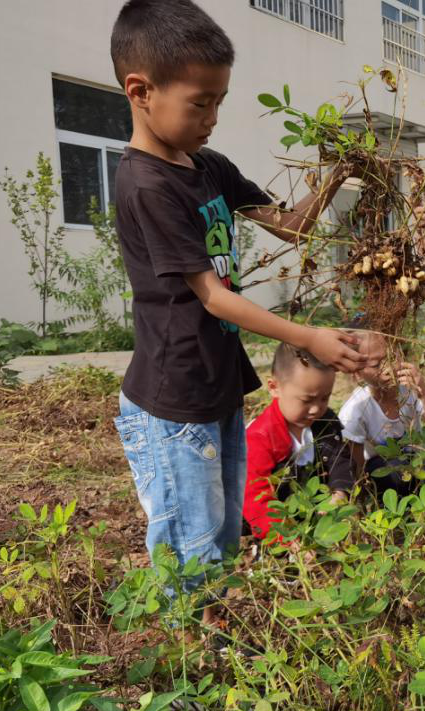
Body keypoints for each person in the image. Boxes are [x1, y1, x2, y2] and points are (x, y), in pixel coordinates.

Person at [109, 0, 363, 586]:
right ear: (140, 90)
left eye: (219, 101)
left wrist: (338, 173)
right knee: (190, 542)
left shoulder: (207, 165)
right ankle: (189, 659)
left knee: (222, 532)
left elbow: (289, 225)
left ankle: (211, 642)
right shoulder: (146, 184)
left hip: (215, 383)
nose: (213, 117)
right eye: (201, 103)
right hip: (172, 399)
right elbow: (213, 297)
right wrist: (309, 337)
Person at [243, 345, 353, 540]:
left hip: (320, 513)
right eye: (306, 400)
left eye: (324, 398)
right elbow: (255, 497)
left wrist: (340, 493)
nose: (315, 409)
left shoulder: (325, 421)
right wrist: (286, 539)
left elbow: (340, 459)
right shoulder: (259, 436)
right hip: (278, 522)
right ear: (274, 387)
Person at [339, 330, 425, 499]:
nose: (388, 368)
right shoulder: (355, 410)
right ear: (356, 373)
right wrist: (358, 503)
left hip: (418, 460)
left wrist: (423, 392)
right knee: (390, 470)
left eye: (391, 358)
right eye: (376, 365)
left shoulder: (410, 392)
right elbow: (356, 467)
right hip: (382, 470)